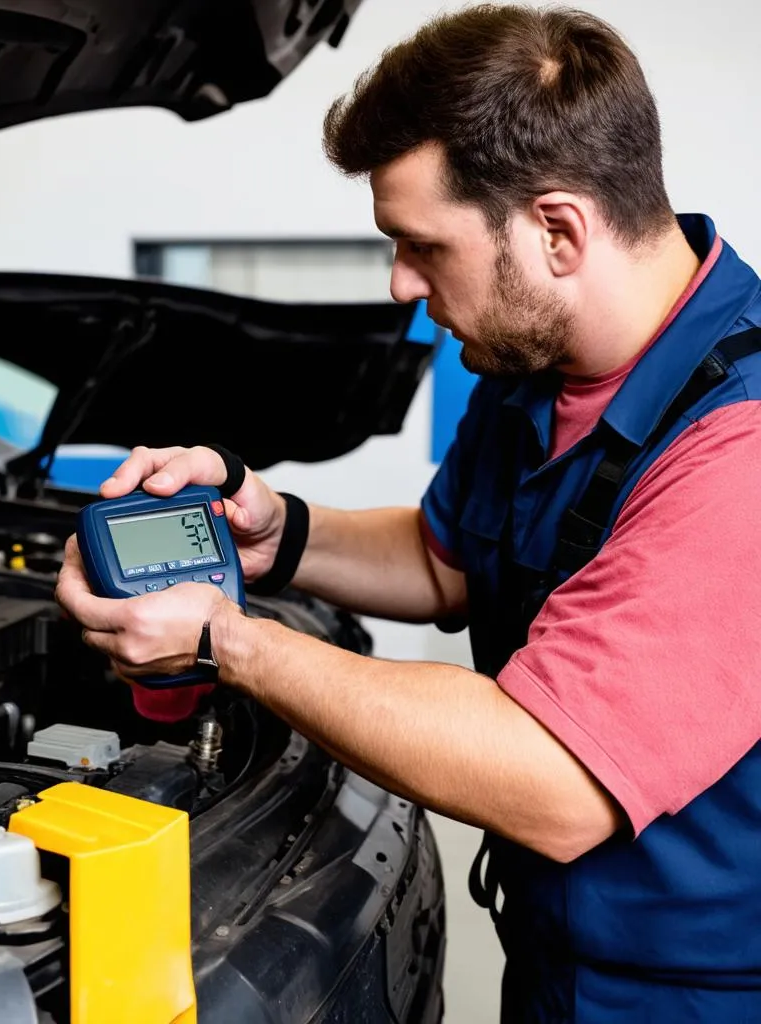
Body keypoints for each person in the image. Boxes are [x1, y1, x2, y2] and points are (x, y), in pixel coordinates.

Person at [55, 4, 761, 1020]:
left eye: (422, 246)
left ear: (556, 229)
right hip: (559, 964)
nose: (400, 284)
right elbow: (444, 563)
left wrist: (226, 639)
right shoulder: (534, 365)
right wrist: (277, 532)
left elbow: (556, 780)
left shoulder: (736, 448)